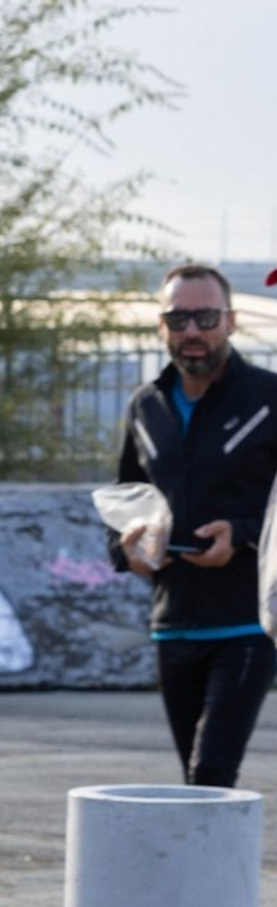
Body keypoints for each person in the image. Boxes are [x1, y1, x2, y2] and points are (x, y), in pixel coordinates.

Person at [110, 263, 277, 791]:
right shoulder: (145, 405)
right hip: (173, 622)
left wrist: (242, 534)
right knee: (194, 780)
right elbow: (125, 499)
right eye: (178, 319)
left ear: (229, 321)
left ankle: (219, 874)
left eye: (205, 317)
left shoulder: (269, 398)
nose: (192, 331)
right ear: (161, 327)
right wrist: (129, 549)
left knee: (211, 771)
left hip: (247, 623)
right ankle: (207, 874)